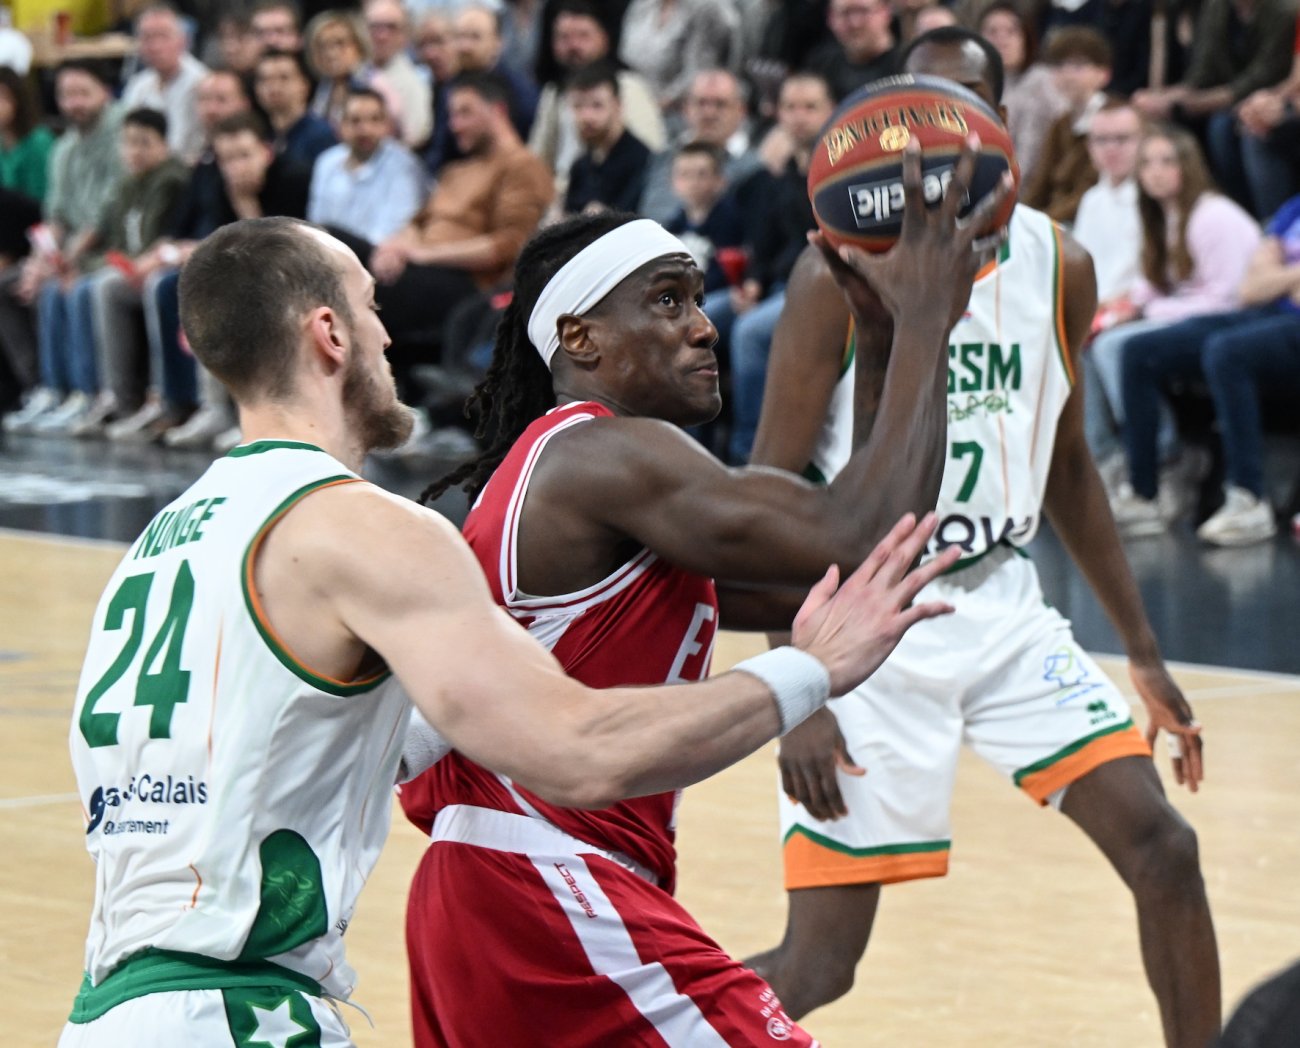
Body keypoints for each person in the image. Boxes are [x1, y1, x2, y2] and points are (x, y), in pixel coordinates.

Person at [59, 214, 954, 1047]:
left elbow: (392, 740)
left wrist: (874, 344)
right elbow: (579, 749)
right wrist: (809, 673)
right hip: (314, 976)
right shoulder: (378, 524)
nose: (389, 337)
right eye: (373, 309)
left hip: (116, 1003)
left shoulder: (164, 544)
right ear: (329, 334)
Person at [397, 138, 1012, 1043]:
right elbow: (856, 530)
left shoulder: (566, 480)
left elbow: (838, 566)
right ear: (580, 338)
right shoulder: (602, 453)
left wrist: (879, 340)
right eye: (667, 301)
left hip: (484, 895)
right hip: (548, 885)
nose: (704, 325)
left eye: (695, 298)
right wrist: (927, 319)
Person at [742, 28, 1220, 1048]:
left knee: (1165, 849)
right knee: (821, 966)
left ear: (997, 127)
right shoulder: (833, 272)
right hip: (864, 620)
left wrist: (1141, 650)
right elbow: (772, 488)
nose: (929, 135)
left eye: (956, 110)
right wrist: (794, 691)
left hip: (1001, 602)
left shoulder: (1060, 264)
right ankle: (630, 1030)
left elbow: (1067, 465)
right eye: (911, 109)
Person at [1097, 125, 1260, 533]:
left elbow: (1231, 296)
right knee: (1097, 340)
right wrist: (1122, 306)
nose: (1155, 172)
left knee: (1127, 349)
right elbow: (1153, 283)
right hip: (1193, 316)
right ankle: (1111, 460)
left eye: (1167, 161)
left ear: (1189, 166)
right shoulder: (1159, 216)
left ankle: (1161, 462)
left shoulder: (1214, 215)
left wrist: (1151, 309)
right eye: (1147, 163)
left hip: (1239, 319)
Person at [1114, 194, 1300, 547]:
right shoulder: (1294, 208)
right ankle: (1143, 494)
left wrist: (1277, 275)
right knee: (1138, 350)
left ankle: (1249, 498)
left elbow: (1268, 283)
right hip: (1265, 312)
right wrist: (1292, 277)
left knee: (1228, 351)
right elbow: (1250, 288)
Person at [4, 61, 123, 435]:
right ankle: (46, 388)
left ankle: (88, 392)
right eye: (66, 95)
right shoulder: (65, 146)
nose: (74, 104)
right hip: (72, 252)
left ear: (105, 92)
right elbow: (54, 216)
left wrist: (66, 260)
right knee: (17, 284)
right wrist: (39, 262)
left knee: (72, 289)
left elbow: (105, 213)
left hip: (110, 249)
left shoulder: (120, 134)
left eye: (82, 93)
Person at [528, 0, 665, 193]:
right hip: (561, 195)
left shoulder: (628, 85)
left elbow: (650, 153)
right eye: (563, 37)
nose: (573, 46)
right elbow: (538, 158)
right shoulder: (554, 91)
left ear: (604, 38)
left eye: (583, 35)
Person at [309, 86, 429, 244]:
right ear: (340, 126)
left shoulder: (405, 166)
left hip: (378, 254)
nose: (365, 130)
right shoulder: (326, 162)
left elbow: (391, 234)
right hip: (329, 251)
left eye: (374, 120)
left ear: (387, 125)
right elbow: (317, 223)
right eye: (355, 121)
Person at [1020, 26, 1112, 224]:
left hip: (1089, 219)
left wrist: (1043, 221)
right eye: (1060, 66)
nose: (1068, 75)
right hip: (1053, 218)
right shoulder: (1060, 123)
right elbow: (1040, 182)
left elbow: (1090, 189)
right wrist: (1021, 215)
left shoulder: (1110, 120)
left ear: (1103, 74)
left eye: (1078, 66)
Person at [978, 2, 1067, 183]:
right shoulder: (976, 87)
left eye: (1011, 31)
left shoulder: (1042, 83)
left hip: (1030, 187)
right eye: (993, 32)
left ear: (1026, 38)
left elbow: (1030, 159)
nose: (1002, 40)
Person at [120, 5, 209, 165]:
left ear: (183, 41)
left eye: (163, 36)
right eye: (147, 38)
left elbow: (190, 147)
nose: (155, 46)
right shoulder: (138, 85)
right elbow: (126, 139)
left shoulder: (202, 82)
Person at [561, 62, 651, 215]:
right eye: (578, 106)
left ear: (618, 106)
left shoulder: (643, 162)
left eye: (597, 105)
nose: (586, 116)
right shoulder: (580, 166)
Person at [363, 0, 434, 148]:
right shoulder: (352, 71)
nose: (382, 36)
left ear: (405, 34)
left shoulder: (415, 82)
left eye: (391, 27)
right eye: (375, 27)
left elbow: (416, 138)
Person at [252, 48, 338, 170]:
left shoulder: (322, 135)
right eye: (265, 79)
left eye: (284, 78)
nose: (274, 87)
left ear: (304, 85)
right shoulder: (260, 136)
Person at [807, 0, 899, 101]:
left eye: (863, 11)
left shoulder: (906, 64)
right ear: (830, 18)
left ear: (886, 12)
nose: (855, 23)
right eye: (845, 13)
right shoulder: (820, 67)